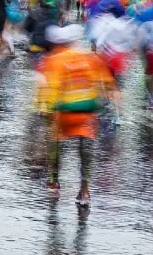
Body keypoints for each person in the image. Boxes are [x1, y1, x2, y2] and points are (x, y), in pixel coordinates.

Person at [40, 23, 113, 206]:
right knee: (85, 150)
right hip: (87, 112)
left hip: (65, 112)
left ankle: (54, 181)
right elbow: (106, 83)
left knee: (55, 143)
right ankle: (85, 189)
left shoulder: (54, 59)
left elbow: (52, 86)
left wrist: (47, 108)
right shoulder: (92, 58)